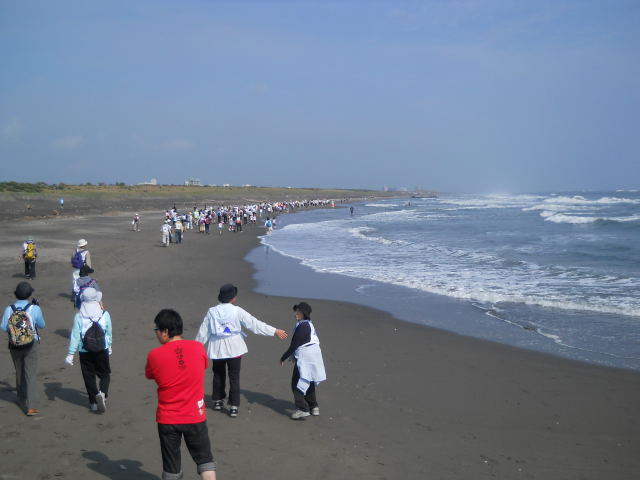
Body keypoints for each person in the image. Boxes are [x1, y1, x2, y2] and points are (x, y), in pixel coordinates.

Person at [195, 284, 288, 417]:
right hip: (234, 347)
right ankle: (234, 406)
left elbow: (204, 331)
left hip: (217, 347)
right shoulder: (237, 311)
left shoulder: (212, 311)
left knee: (218, 374)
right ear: (232, 298)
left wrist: (195, 347)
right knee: (234, 376)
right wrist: (274, 331)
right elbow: (254, 324)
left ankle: (217, 400)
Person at [146, 309, 217, 480]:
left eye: (157, 330)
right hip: (195, 415)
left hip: (168, 418)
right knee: (205, 461)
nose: (156, 333)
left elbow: (150, 374)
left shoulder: (154, 355)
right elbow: (203, 366)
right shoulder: (198, 347)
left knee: (171, 468)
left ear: (165, 331)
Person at [1, 282, 46, 416]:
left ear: (16, 294)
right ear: (29, 294)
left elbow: (3, 327)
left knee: (19, 371)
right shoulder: (34, 308)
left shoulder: (9, 309)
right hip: (31, 344)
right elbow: (42, 325)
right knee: (30, 374)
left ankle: (21, 398)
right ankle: (31, 407)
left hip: (14, 345)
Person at [65, 288, 112, 413]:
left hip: (85, 351)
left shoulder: (79, 316)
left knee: (88, 377)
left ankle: (93, 403)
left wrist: (70, 354)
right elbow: (108, 332)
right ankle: (102, 393)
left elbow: (75, 336)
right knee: (105, 374)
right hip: (102, 349)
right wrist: (109, 346)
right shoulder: (104, 314)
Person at [280, 302, 326, 420]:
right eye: (296, 311)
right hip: (314, 356)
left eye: (298, 312)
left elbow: (294, 344)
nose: (296, 314)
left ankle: (303, 409)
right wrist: (293, 356)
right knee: (309, 379)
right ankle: (313, 406)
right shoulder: (308, 324)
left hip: (306, 357)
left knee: (297, 383)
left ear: (304, 314)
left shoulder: (302, 326)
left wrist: (284, 357)